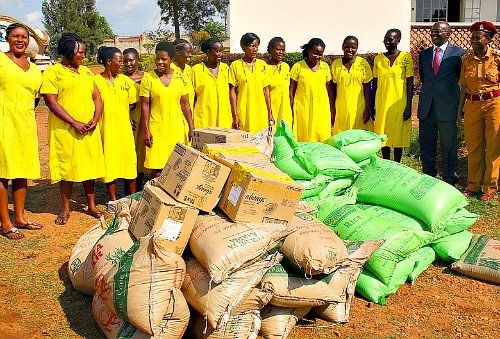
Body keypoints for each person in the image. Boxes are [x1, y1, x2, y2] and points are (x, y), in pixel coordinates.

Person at [41, 33, 105, 225]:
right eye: (80, 52)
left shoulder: (86, 72)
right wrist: (74, 123)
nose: (83, 56)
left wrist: (95, 118)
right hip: (65, 129)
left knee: (89, 166)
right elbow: (51, 102)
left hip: (88, 128)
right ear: (68, 51)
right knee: (66, 169)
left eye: (84, 53)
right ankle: (65, 208)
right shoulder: (53, 73)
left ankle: (92, 205)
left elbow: (97, 97)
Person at [0, 23, 44, 239]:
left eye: (24, 37)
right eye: (15, 36)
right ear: (7, 38)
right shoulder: (0, 61)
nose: (20, 40)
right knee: (2, 173)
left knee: (22, 172)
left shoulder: (34, 69)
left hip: (26, 125)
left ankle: (20, 217)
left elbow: (35, 99)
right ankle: (6, 223)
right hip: (3, 124)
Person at [457, 21, 500, 201]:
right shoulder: (466, 60)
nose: (473, 40)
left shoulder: (497, 59)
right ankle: (473, 184)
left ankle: (489, 187)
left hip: (494, 104)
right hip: (472, 105)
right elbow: (464, 88)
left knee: (493, 147)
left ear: (488, 39)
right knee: (473, 147)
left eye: (478, 37)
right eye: (472, 37)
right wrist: (460, 111)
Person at [418, 22, 465, 186]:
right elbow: (424, 79)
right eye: (432, 32)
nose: (434, 34)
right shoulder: (423, 54)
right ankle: (429, 176)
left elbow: (461, 80)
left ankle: (449, 178)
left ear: (448, 33)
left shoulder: (459, 54)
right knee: (427, 143)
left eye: (438, 32)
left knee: (449, 145)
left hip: (448, 107)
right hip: (427, 107)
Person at [140, 41, 194, 178]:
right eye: (157, 58)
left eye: (164, 59)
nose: (160, 62)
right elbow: (145, 105)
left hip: (177, 128)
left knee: (178, 166)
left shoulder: (181, 78)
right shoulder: (148, 78)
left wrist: (191, 127)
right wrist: (146, 130)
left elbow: (185, 104)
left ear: (171, 59)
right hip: (156, 128)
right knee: (157, 170)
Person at [94, 46, 137, 204]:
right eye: (119, 61)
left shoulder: (126, 82)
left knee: (129, 163)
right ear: (108, 61)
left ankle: (132, 199)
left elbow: (132, 103)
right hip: (106, 129)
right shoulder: (95, 82)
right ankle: (113, 200)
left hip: (125, 130)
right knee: (109, 164)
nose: (122, 64)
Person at [372, 28, 414, 163]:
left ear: (398, 40)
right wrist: (372, 106)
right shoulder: (378, 59)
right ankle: (386, 163)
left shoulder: (406, 58)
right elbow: (375, 83)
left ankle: (396, 164)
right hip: (382, 102)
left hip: (399, 102)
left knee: (397, 135)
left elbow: (410, 83)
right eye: (385, 39)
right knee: (383, 134)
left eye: (390, 39)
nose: (387, 42)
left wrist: (408, 106)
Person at [290, 38, 334, 142]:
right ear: (309, 51)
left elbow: (330, 91)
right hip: (303, 109)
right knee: (303, 136)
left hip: (321, 109)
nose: (318, 57)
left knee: (322, 137)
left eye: (320, 54)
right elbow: (291, 91)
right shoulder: (298, 67)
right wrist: (291, 109)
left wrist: (332, 109)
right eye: (315, 53)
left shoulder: (325, 67)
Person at [229, 32, 274, 133]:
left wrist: (269, 113)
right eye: (251, 46)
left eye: (256, 46)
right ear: (243, 47)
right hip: (244, 110)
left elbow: (266, 90)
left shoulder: (263, 65)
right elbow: (232, 92)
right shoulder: (235, 65)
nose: (254, 49)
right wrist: (235, 115)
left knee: (261, 143)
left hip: (261, 111)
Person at [331, 35, 373, 135]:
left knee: (357, 136)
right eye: (347, 46)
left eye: (353, 47)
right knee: (342, 137)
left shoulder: (363, 64)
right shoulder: (336, 64)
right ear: (342, 47)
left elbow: (367, 88)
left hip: (359, 107)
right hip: (341, 107)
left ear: (357, 48)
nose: (350, 50)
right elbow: (333, 89)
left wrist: (367, 109)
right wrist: (333, 109)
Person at [191, 37, 232, 128]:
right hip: (204, 118)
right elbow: (192, 98)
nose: (220, 54)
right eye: (217, 51)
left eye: (222, 51)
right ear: (208, 52)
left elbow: (231, 93)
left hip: (224, 118)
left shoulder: (226, 69)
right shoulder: (196, 70)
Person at [123, 48, 146, 190]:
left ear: (138, 60)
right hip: (128, 121)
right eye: (125, 61)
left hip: (143, 120)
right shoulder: (121, 79)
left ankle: (140, 187)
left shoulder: (147, 77)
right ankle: (128, 189)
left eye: (131, 60)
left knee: (142, 154)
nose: (128, 64)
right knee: (129, 155)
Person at [266, 37, 293, 127]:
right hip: (271, 109)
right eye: (278, 49)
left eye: (283, 50)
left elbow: (290, 91)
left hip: (285, 110)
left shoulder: (286, 67)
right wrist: (269, 112)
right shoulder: (264, 68)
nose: (281, 52)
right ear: (270, 49)